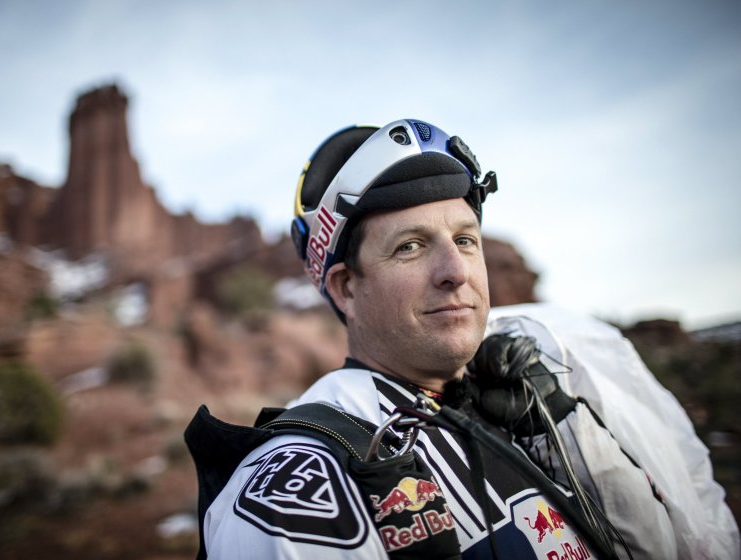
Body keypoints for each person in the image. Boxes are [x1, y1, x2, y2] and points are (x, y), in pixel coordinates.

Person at [190, 119, 683, 559]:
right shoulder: (295, 491)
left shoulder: (523, 398)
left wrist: (558, 427)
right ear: (347, 288)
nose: (456, 271)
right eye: (411, 246)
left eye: (466, 240)